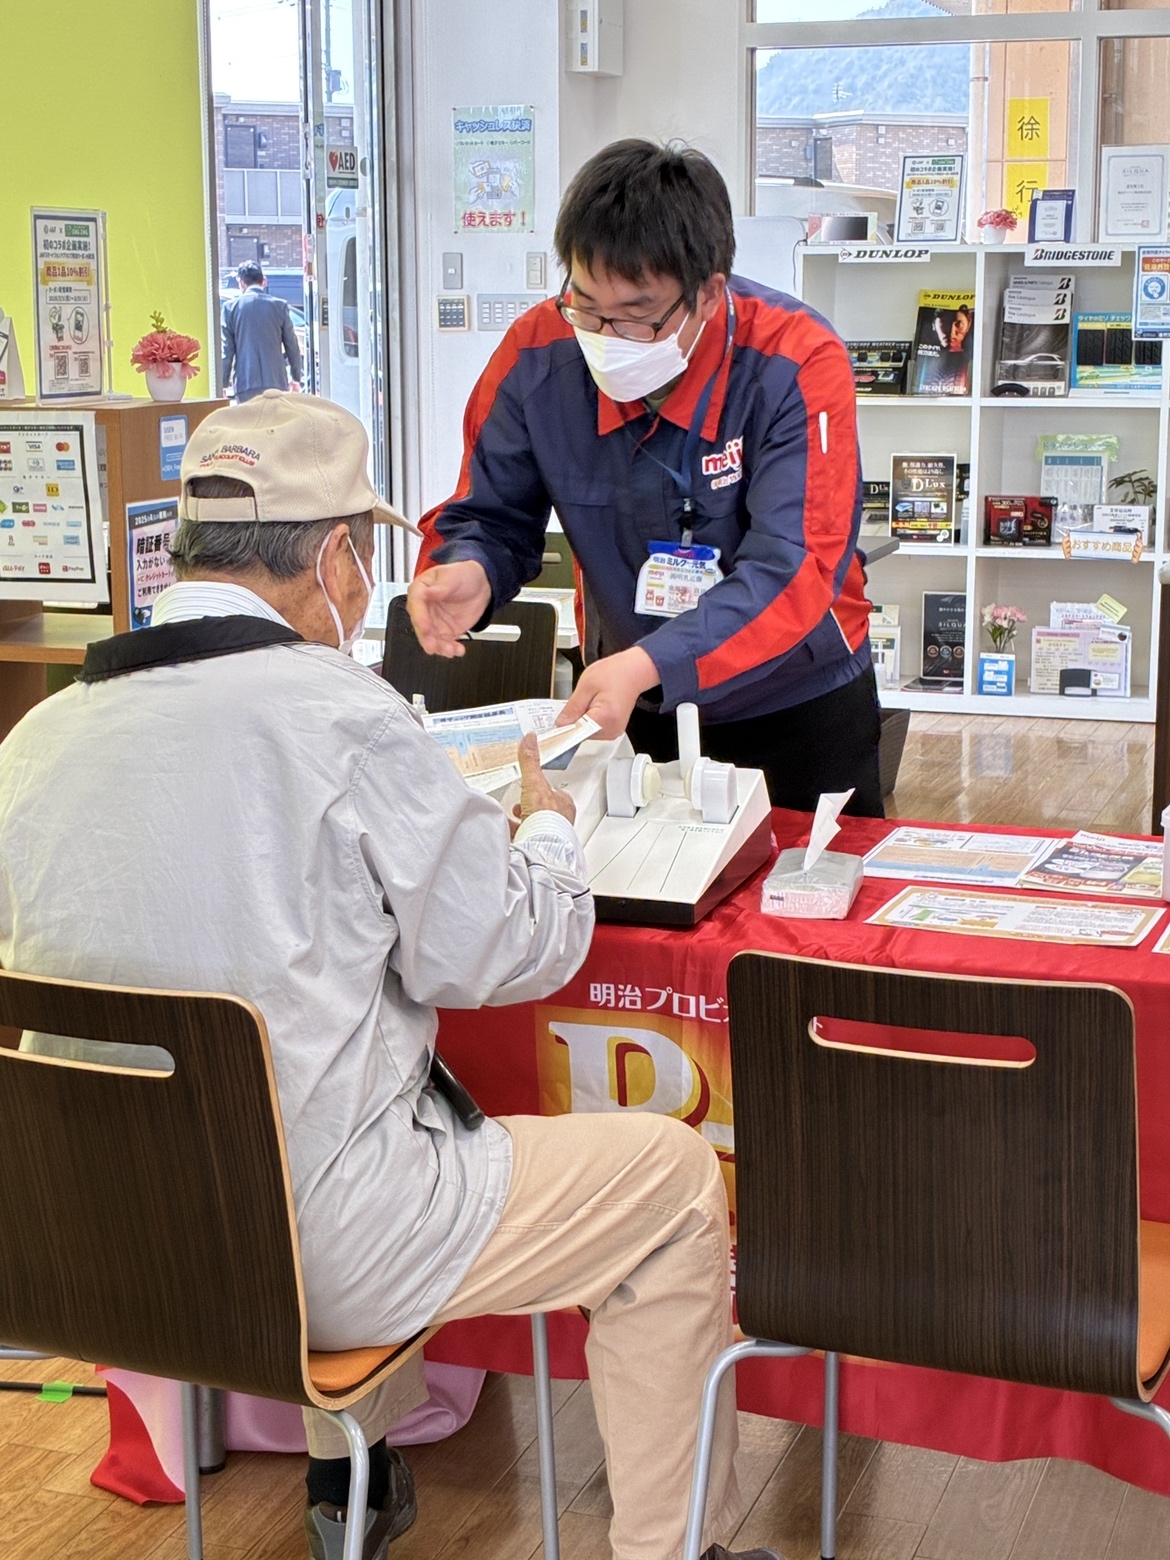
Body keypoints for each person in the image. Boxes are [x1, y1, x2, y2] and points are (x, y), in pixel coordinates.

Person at [0, 390, 781, 1560]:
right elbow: (513, 950)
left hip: (80, 1242)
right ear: (336, 558)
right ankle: (681, 1551)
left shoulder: (35, 739)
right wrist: (548, 829)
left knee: (345, 1085)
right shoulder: (342, 717)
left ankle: (344, 1476)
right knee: (668, 1181)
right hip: (310, 1252)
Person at [408, 138, 882, 816]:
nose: (604, 333)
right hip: (630, 700)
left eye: (636, 314)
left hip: (794, 701)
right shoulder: (539, 353)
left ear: (709, 293)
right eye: (586, 304)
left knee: (801, 912)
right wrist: (471, 570)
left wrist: (653, 661)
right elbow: (490, 512)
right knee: (636, 899)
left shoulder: (795, 361)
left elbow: (795, 567)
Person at [222, 261, 303, 401]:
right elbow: (292, 345)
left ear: (241, 283)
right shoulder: (279, 306)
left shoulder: (230, 308)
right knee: (276, 421)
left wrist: (222, 384)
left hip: (245, 382)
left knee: (249, 421)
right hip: (276, 381)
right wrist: (295, 377)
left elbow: (227, 350)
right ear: (264, 281)